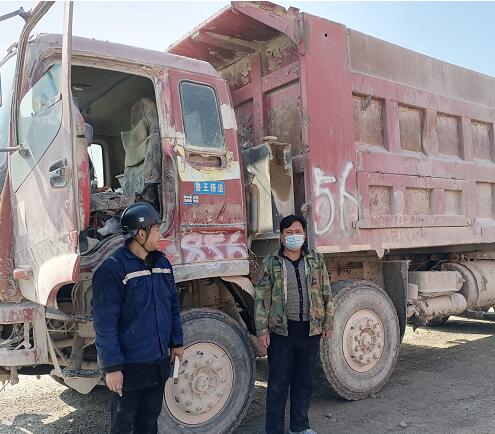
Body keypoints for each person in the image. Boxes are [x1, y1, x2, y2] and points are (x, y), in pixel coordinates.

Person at [92, 202, 184, 434]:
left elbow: (173, 306)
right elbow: (105, 323)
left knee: (149, 423)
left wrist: (176, 342)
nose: (160, 235)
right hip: (130, 368)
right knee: (123, 426)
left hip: (158, 363)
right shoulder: (112, 270)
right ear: (141, 233)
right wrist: (112, 368)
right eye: (156, 230)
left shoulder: (162, 264)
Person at [255, 214, 334, 434]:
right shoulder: (271, 262)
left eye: (298, 232)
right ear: (281, 237)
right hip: (282, 332)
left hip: (310, 331)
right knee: (278, 385)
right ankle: (274, 430)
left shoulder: (315, 260)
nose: (294, 236)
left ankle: (300, 427)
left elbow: (326, 291)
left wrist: (328, 322)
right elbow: (261, 297)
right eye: (289, 232)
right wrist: (262, 330)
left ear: (305, 235)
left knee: (304, 382)